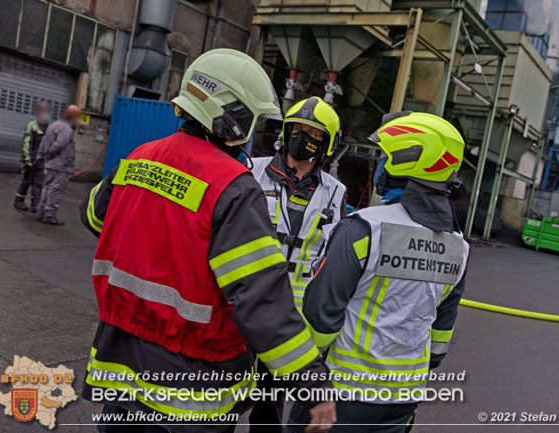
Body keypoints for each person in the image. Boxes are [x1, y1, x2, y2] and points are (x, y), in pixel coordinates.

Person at [79, 49, 335, 433]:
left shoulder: (137, 160)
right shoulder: (234, 188)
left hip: (119, 366)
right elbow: (261, 301)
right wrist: (312, 384)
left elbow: (93, 216)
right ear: (236, 115)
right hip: (192, 384)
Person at [285, 112, 470, 433]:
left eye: (386, 156)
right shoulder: (460, 247)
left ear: (407, 161)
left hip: (343, 394)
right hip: (403, 399)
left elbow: (321, 314)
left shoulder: (364, 228)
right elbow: (441, 336)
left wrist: (307, 373)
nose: (380, 163)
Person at [248, 97, 347, 432]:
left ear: (326, 144)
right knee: (221, 399)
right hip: (243, 301)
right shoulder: (252, 169)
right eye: (298, 130)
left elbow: (332, 255)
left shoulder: (336, 192)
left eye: (313, 134)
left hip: (289, 317)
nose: (303, 137)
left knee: (269, 407)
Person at [35, 104, 82, 225]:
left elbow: (43, 142)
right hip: (59, 166)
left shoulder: (53, 125)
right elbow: (59, 145)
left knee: (47, 189)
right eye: (78, 117)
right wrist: (50, 154)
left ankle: (41, 213)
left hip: (50, 165)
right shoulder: (66, 129)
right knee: (55, 191)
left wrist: (42, 156)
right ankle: (49, 215)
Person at [13, 101, 51, 212]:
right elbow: (26, 143)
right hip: (31, 160)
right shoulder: (32, 126)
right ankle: (18, 201)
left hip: (41, 161)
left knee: (38, 182)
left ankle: (35, 204)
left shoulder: (49, 128)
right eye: (45, 111)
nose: (47, 113)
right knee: (26, 181)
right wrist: (26, 160)